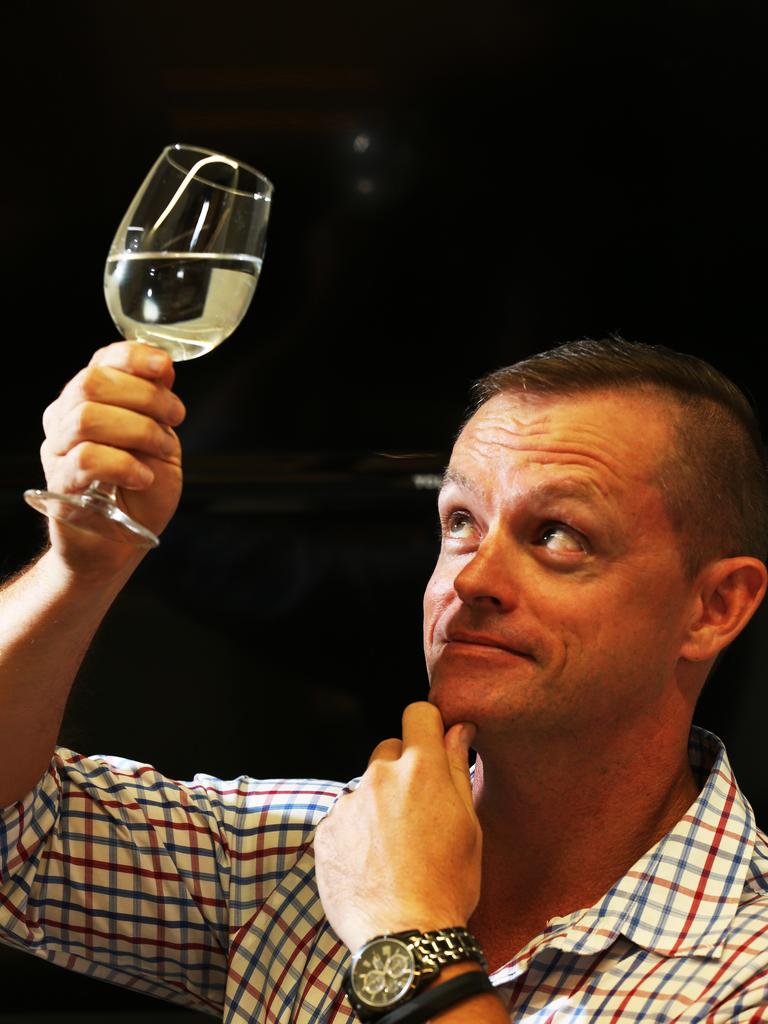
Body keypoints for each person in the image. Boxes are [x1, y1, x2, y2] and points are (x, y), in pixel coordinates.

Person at [1, 336, 767, 1023]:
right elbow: (15, 845)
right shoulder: (316, 851)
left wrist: (407, 931)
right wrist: (80, 567)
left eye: (557, 534)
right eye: (461, 521)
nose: (474, 580)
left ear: (714, 607)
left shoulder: (746, 965)